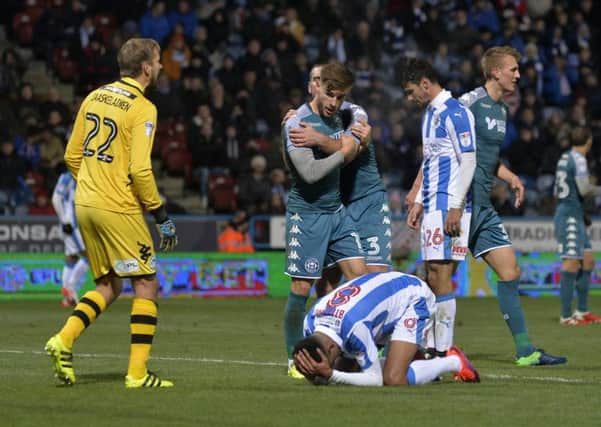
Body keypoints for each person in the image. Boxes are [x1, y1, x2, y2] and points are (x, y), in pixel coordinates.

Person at [44, 38, 179, 388]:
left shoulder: (94, 96)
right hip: (116, 205)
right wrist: (161, 216)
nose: (162, 67)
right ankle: (137, 374)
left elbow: (72, 157)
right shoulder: (143, 108)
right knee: (146, 282)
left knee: (108, 283)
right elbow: (140, 170)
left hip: (85, 203)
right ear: (146, 67)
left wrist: (93, 183)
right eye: (159, 61)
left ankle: (63, 340)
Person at [458, 46, 566, 365]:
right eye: (513, 70)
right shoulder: (468, 105)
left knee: (510, 271)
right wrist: (421, 192)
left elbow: (488, 160)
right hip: (457, 204)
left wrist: (510, 177)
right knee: (434, 279)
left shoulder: (501, 111)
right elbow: (438, 146)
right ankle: (395, 338)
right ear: (495, 72)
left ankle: (524, 351)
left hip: (483, 205)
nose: (518, 75)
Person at [281, 62, 368, 378]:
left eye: (340, 97)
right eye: (330, 95)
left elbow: (360, 120)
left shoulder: (339, 115)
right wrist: (342, 151)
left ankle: (354, 349)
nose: (333, 103)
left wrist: (352, 135)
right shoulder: (298, 123)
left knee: (362, 279)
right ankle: (295, 358)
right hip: (308, 214)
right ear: (317, 87)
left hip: (336, 213)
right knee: (301, 287)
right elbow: (310, 173)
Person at [286, 64, 392, 298]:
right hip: (335, 207)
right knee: (326, 287)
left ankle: (370, 333)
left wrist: (319, 140)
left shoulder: (354, 113)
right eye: (314, 80)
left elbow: (349, 149)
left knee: (373, 280)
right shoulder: (300, 120)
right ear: (313, 86)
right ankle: (328, 333)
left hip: (366, 201)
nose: (319, 85)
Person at [401, 58, 477, 358]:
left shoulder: (455, 112)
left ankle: (442, 350)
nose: (410, 99)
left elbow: (469, 160)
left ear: (425, 83)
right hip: (433, 204)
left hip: (448, 205)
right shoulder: (429, 114)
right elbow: (431, 161)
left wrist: (456, 207)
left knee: (439, 275)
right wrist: (419, 200)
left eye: (411, 92)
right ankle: (432, 345)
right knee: (432, 274)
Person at [293, 271, 480, 386]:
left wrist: (331, 374)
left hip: (413, 297)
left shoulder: (354, 329)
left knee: (393, 378)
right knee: (351, 375)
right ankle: (409, 357)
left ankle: (454, 361)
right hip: (382, 298)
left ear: (332, 348)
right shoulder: (309, 323)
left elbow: (374, 379)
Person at [553, 126, 601, 325]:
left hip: (574, 213)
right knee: (571, 262)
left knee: (587, 261)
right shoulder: (579, 160)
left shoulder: (565, 157)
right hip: (570, 216)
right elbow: (584, 188)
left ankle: (581, 311)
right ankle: (566, 316)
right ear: (589, 142)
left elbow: (557, 191)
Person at [51, 171, 89, 308]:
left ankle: (67, 298)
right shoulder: (69, 177)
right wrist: (65, 221)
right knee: (89, 256)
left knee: (71, 257)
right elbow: (56, 198)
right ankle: (71, 288)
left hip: (74, 223)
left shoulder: (83, 174)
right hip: (73, 224)